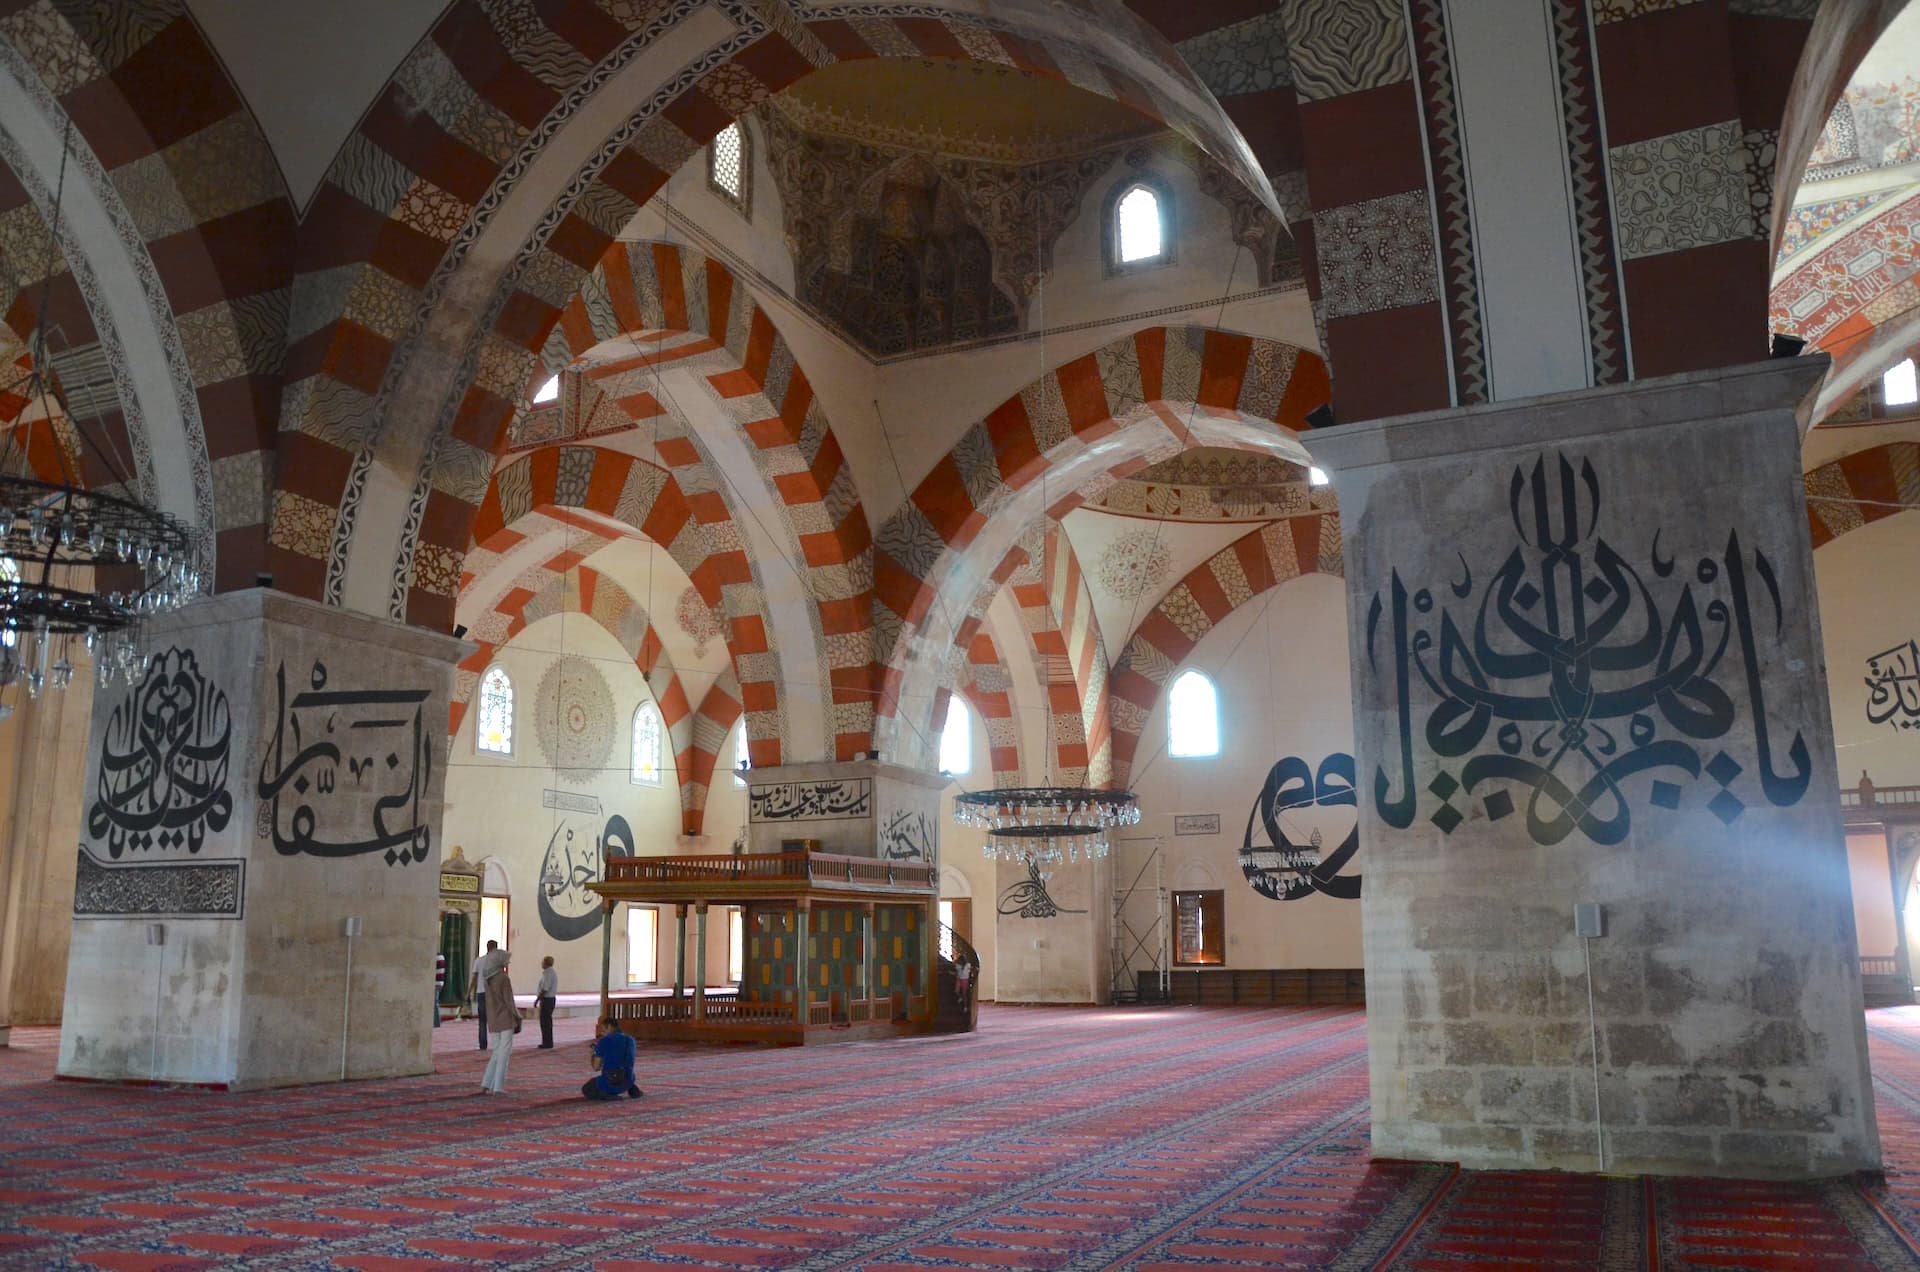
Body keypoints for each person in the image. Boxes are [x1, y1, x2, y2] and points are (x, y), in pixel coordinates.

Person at [479, 954, 521, 1095]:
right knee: (504, 1053)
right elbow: (509, 1001)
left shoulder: (487, 979)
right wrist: (517, 1016)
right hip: (505, 1019)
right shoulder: (503, 978)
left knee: (496, 1052)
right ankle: (498, 1087)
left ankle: (486, 1083)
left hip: (493, 1019)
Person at [583, 1016, 641, 1101]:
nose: (603, 1033)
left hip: (611, 1081)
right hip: (629, 1080)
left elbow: (596, 1067)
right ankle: (632, 1089)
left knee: (587, 1089)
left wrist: (593, 1054)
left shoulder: (604, 1041)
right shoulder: (631, 1040)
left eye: (603, 1030)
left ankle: (608, 1095)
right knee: (624, 1068)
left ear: (609, 1026)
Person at [469, 939, 504, 1050]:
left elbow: (474, 978)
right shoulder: (498, 962)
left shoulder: (479, 961)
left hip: (481, 993)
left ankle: (482, 1045)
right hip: (494, 994)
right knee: (495, 1019)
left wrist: (468, 992)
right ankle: (497, 1044)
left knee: (482, 1021)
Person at [536, 956, 558, 1049]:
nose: (541, 963)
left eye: (543, 961)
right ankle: (546, 1042)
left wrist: (537, 999)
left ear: (546, 963)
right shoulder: (549, 972)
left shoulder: (548, 973)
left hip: (547, 1000)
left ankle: (547, 1043)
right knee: (546, 1022)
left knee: (545, 1022)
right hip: (548, 999)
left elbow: (545, 988)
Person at [434, 950, 446, 1029]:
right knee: (435, 1002)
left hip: (436, 983)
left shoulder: (436, 958)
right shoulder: (442, 957)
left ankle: (436, 1022)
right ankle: (436, 1022)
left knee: (435, 1003)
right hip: (440, 983)